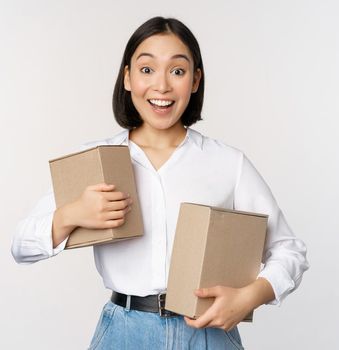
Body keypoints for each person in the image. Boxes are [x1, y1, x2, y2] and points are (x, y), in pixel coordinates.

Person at [11, 16, 309, 349]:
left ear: (195, 81)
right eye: (147, 69)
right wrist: (71, 216)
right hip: (124, 333)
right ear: (127, 78)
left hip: (208, 333)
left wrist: (250, 296)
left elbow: (289, 249)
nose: (162, 86)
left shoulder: (227, 163)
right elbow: (20, 247)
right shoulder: (97, 162)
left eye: (178, 71)